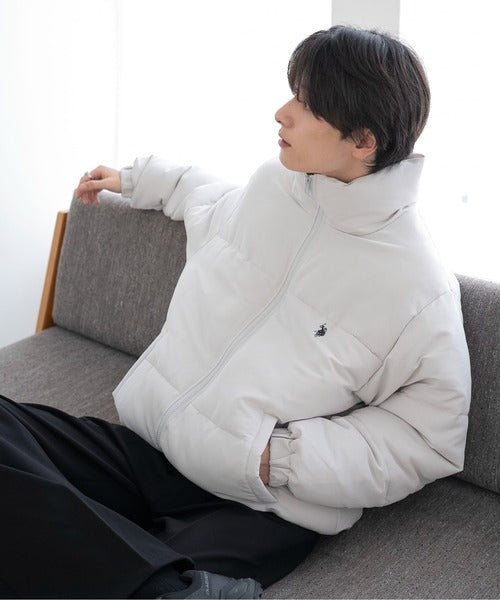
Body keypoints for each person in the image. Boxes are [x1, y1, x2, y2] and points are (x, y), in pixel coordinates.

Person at [0, 25, 471, 599]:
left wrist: (278, 458)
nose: (282, 112)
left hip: (257, 506)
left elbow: (429, 436)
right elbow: (211, 202)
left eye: (306, 104)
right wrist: (137, 180)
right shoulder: (277, 185)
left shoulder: (417, 286)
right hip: (153, 451)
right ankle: (139, 570)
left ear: (363, 141)